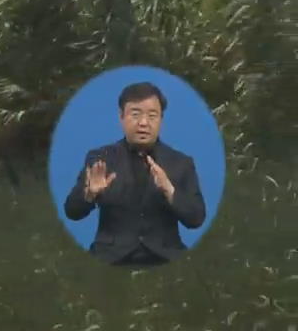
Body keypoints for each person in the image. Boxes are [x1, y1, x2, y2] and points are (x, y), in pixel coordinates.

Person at [63, 81, 207, 266]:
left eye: (152, 115)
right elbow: (72, 212)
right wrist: (90, 194)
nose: (143, 123)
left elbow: (196, 219)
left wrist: (170, 191)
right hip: (110, 259)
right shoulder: (101, 158)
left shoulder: (181, 162)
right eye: (135, 114)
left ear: (161, 119)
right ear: (121, 117)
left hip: (167, 258)